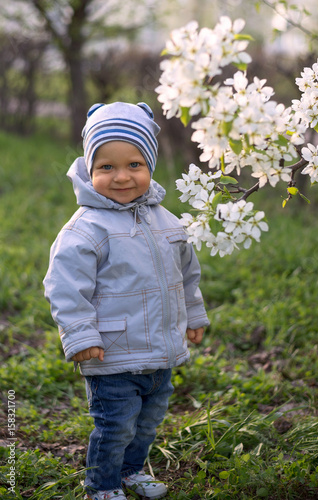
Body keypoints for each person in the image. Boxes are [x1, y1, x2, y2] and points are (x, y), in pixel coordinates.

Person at [43, 101, 210, 500]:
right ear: (89, 169)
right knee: (116, 425)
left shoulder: (167, 221)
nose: (121, 177)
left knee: (147, 423)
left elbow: (187, 273)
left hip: (161, 351)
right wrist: (81, 336)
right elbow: (65, 286)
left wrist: (194, 313)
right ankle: (101, 486)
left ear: (150, 165)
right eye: (106, 167)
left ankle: (132, 471)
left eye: (134, 165)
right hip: (112, 355)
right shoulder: (86, 229)